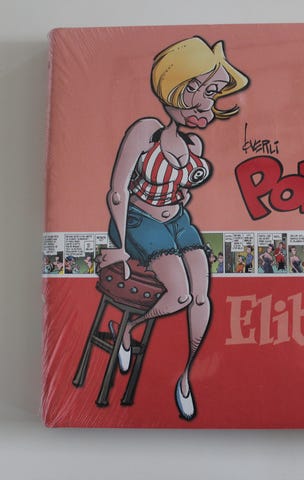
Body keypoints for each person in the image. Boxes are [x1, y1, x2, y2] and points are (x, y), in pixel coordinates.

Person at [98, 37, 248, 420]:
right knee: (179, 295)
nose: (202, 102)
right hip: (140, 220)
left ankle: (185, 378)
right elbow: (118, 191)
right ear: (172, 85)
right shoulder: (145, 130)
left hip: (178, 221)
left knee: (201, 296)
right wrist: (120, 245)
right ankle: (128, 328)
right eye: (194, 87)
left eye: (210, 92)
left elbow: (181, 188)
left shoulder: (193, 144)